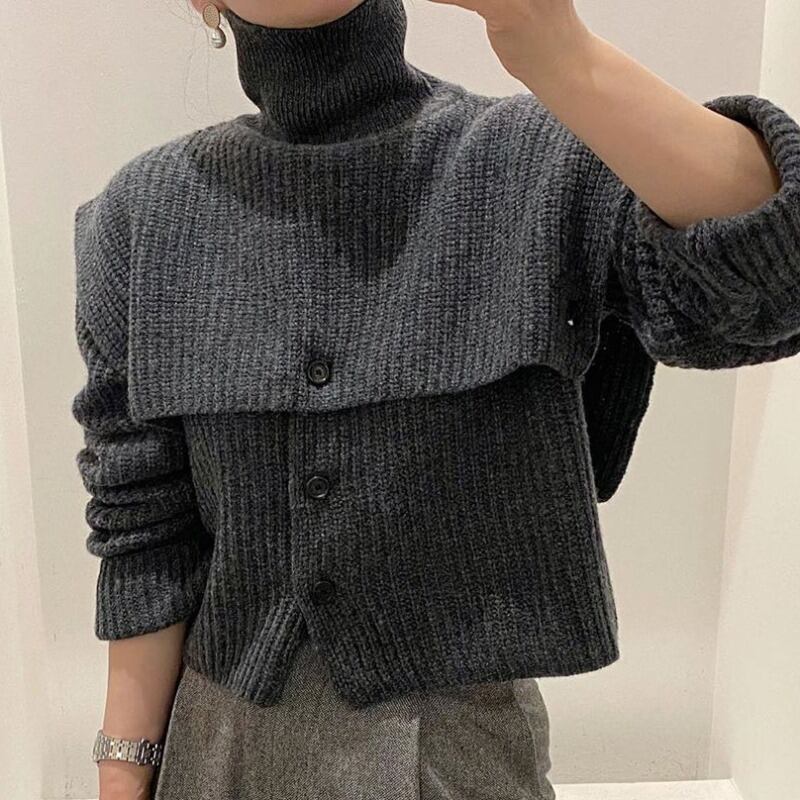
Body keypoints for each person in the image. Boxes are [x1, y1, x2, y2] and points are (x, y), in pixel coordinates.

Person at [70, 0, 800, 798]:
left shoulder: (535, 161)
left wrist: (559, 50)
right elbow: (146, 530)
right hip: (216, 753)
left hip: (459, 760)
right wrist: (122, 773)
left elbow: (775, 282)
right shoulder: (140, 217)